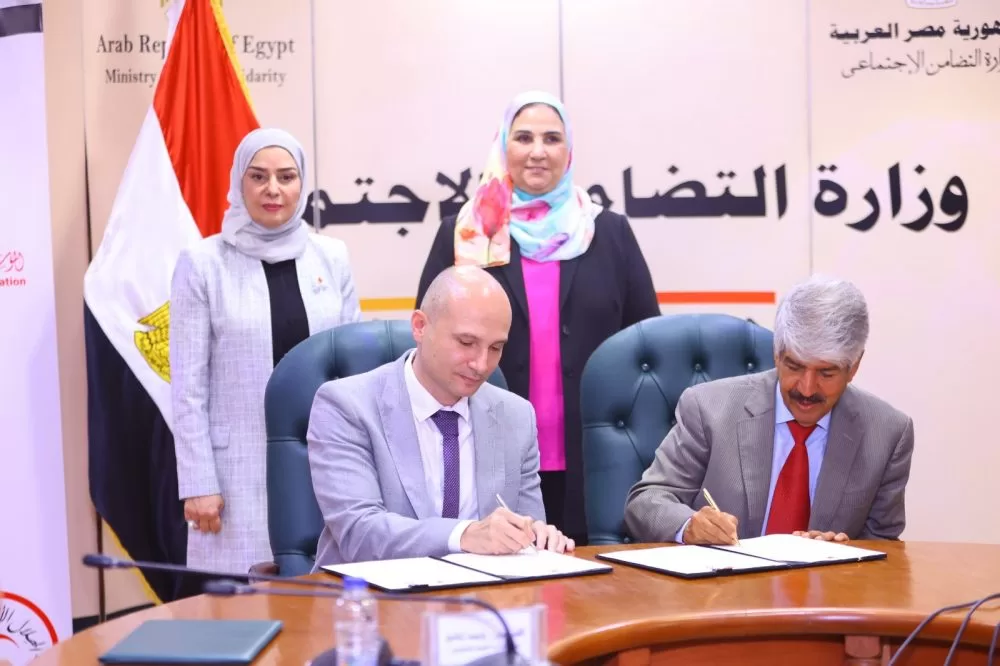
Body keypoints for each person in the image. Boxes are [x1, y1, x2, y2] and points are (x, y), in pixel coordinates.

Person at [416, 91, 659, 546]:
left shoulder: (608, 232)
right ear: (502, 145)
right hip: (486, 445)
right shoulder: (466, 232)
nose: (538, 151)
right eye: (524, 137)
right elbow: (429, 340)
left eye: (552, 138)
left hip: (596, 451)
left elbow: (645, 344)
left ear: (569, 150)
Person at [171, 128, 361, 576]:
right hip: (235, 472)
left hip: (323, 461)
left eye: (286, 177)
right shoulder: (203, 263)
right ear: (239, 182)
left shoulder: (331, 256)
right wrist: (198, 481)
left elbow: (354, 371)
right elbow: (187, 386)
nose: (273, 189)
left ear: (302, 183)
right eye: (258, 176)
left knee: (321, 593)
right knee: (243, 599)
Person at [308, 266, 573, 568]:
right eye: (466, 343)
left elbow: (526, 526)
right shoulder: (346, 406)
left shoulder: (516, 416)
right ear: (420, 326)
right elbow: (359, 533)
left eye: (496, 347)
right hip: (368, 593)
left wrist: (537, 536)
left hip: (484, 593)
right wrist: (465, 535)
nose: (481, 364)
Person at [624, 275, 915, 545]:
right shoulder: (708, 408)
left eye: (826, 373)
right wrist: (689, 526)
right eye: (794, 366)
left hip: (823, 585)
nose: (807, 389)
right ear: (777, 354)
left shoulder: (888, 434)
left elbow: (883, 547)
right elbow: (646, 501)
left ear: (854, 367)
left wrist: (847, 553)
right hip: (723, 581)